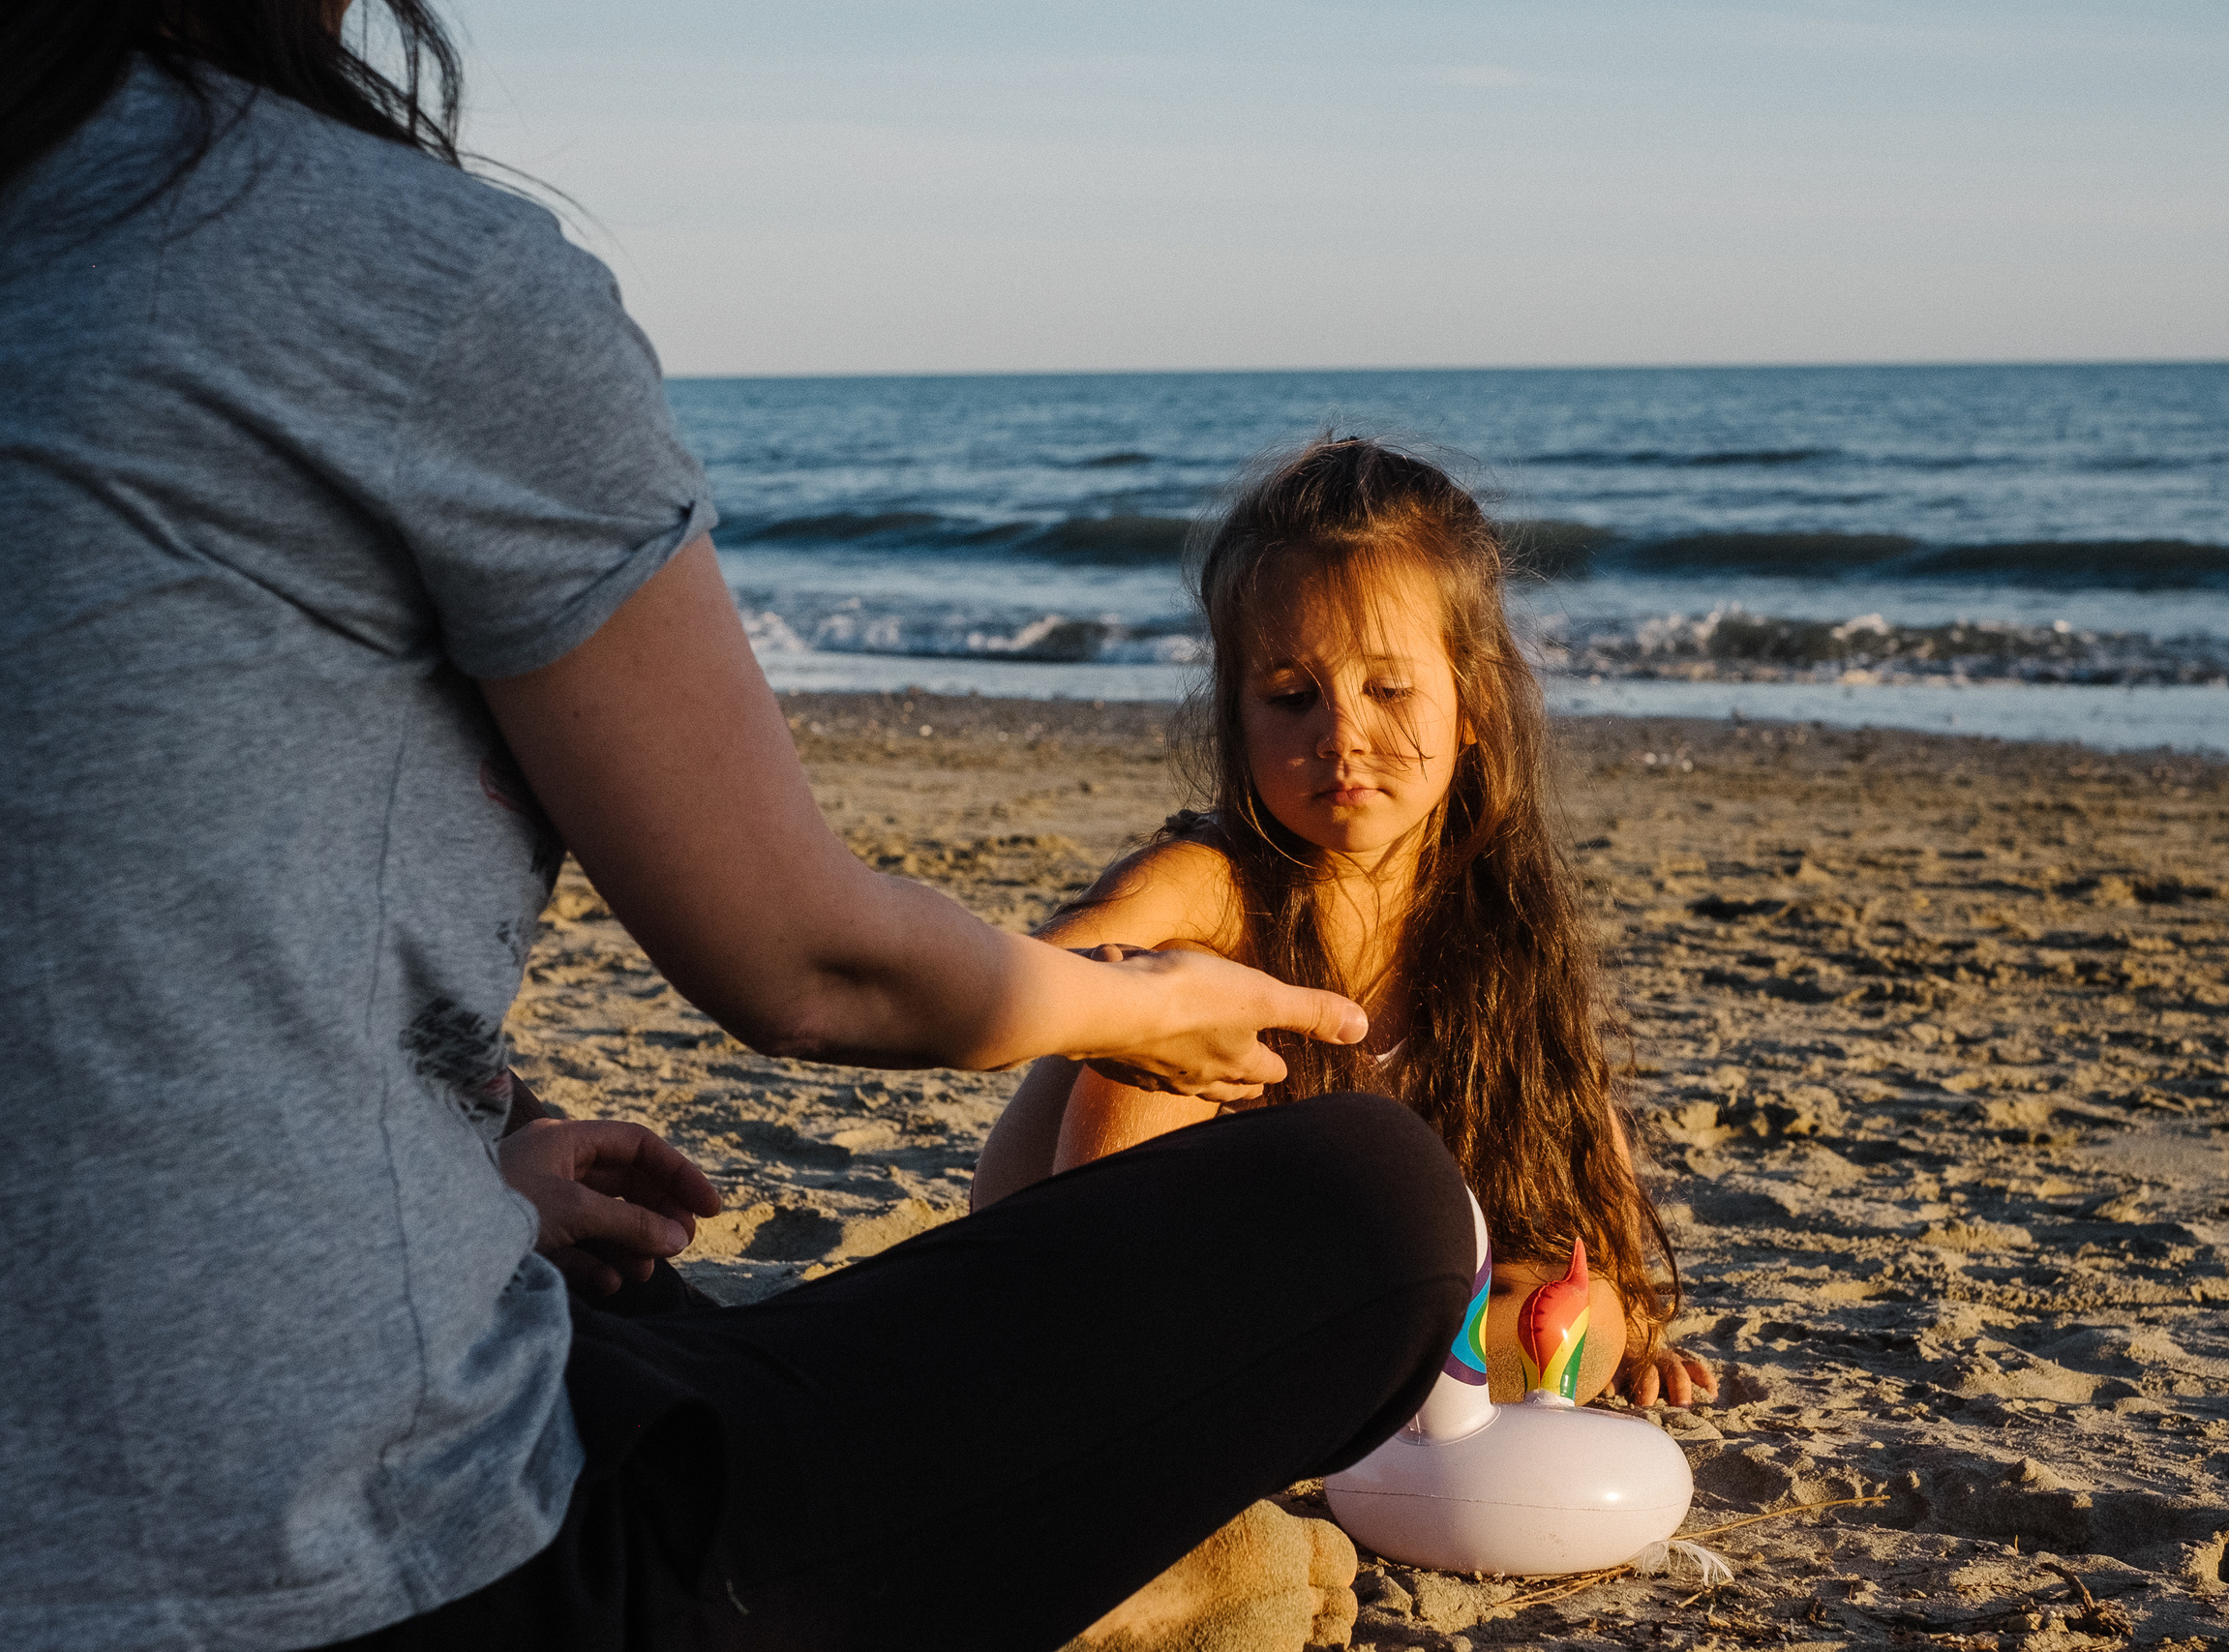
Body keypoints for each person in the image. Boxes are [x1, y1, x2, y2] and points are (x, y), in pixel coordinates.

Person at [0, 8, 1472, 1649]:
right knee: (1377, 1210)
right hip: (357, 1578)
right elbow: (809, 967)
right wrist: (1147, 1002)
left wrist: (467, 1168)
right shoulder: (392, 271)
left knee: (571, 1193)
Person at [974, 437, 1718, 1410]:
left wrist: (1641, 1325)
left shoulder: (1493, 922)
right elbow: (1050, 963)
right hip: (1093, 1272)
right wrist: (1119, 991)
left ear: (1471, 704)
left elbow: (1578, 1125)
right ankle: (1206, 1383)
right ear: (1237, 720)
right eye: (1290, 697)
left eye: (1390, 688)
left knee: (1589, 1313)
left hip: (1312, 1303)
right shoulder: (1211, 884)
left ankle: (1333, 1393)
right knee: (1153, 1004)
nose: (1339, 734)